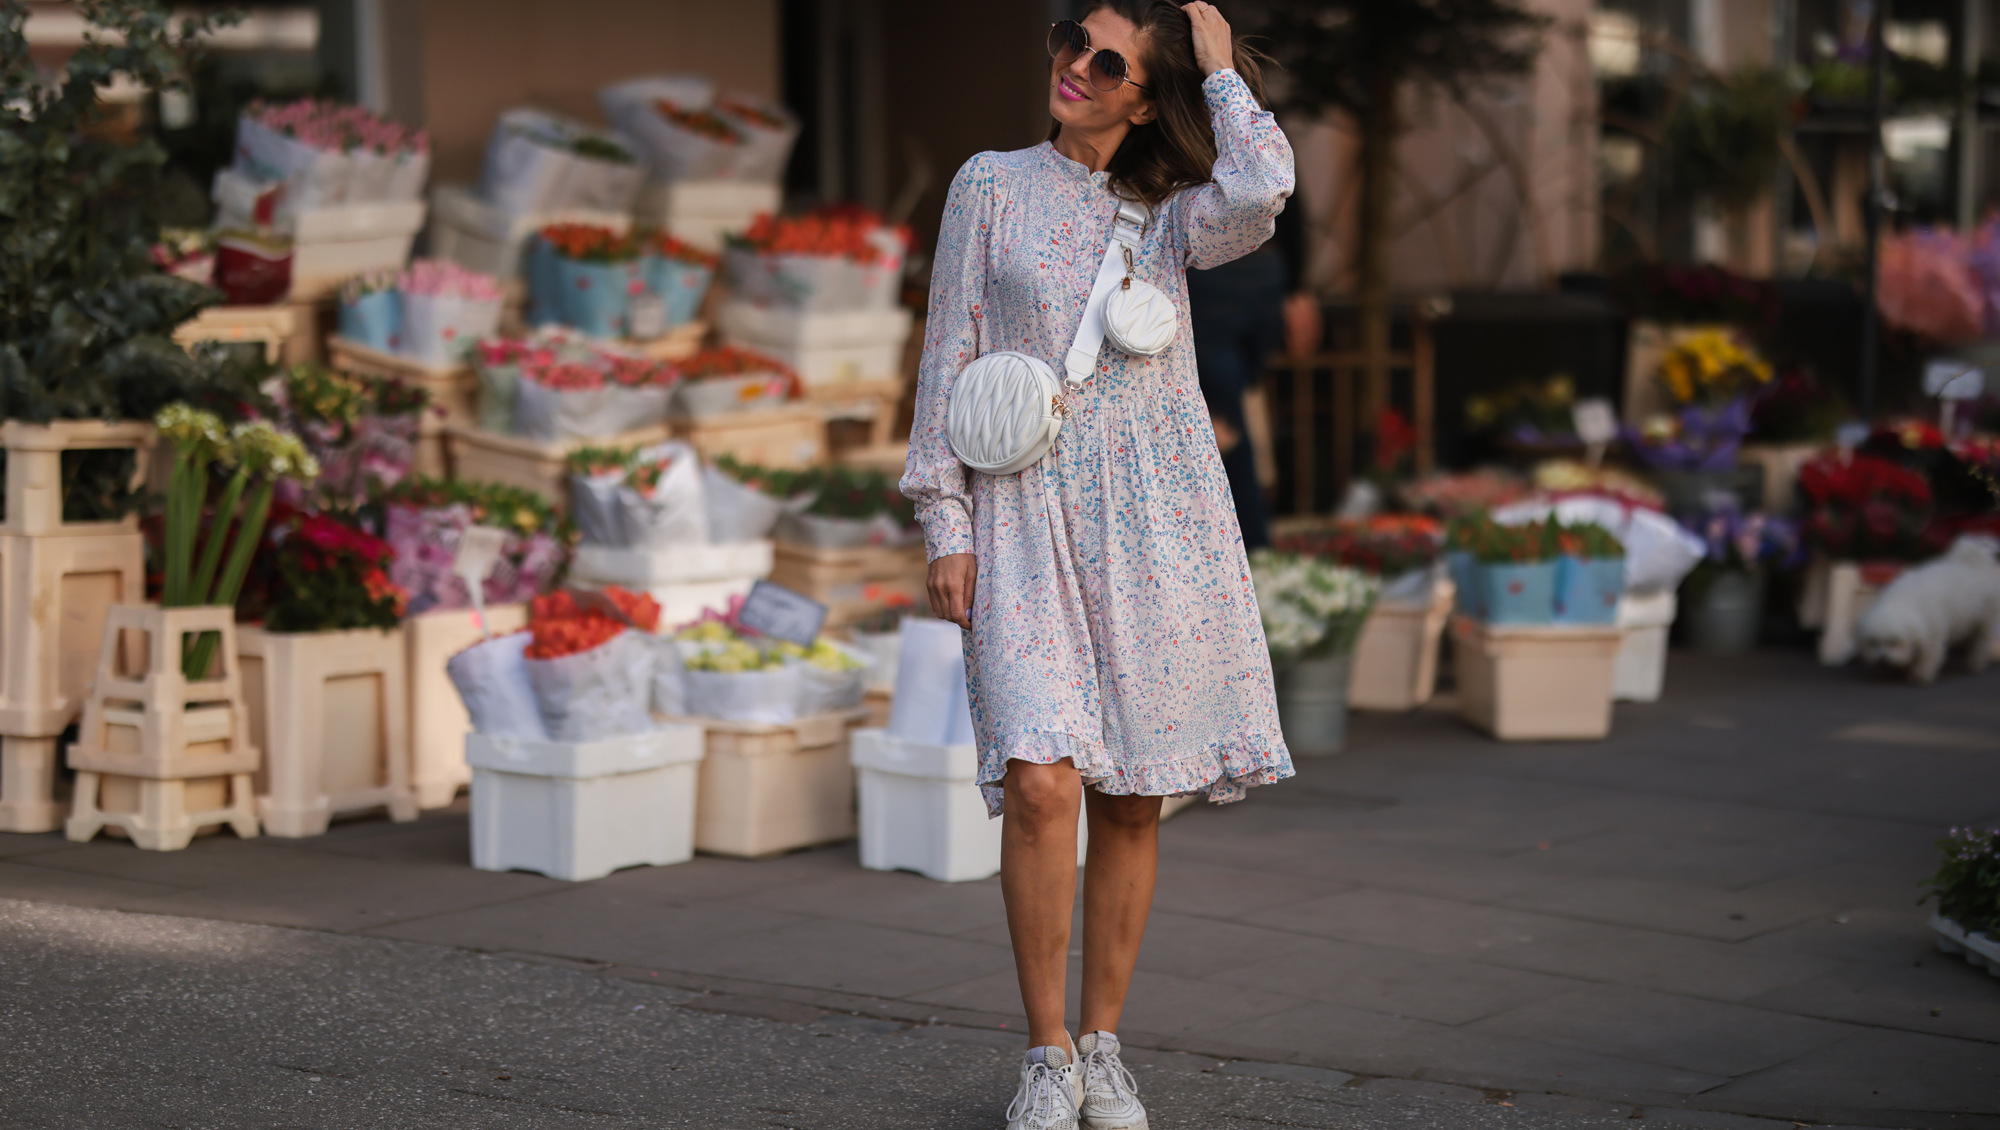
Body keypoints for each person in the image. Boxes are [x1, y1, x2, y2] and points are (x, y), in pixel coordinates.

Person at [899, 4, 1296, 1127]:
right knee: (1039, 779)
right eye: (1071, 39)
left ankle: (1105, 1046)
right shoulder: (988, 183)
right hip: (1021, 515)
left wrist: (1217, 71)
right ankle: (1045, 1052)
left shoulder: (1172, 215)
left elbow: (1264, 188)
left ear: (1144, 96)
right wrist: (945, 522)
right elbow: (948, 350)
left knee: (1129, 798)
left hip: (1155, 521)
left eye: (1108, 61)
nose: (1076, 66)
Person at [1186, 200, 1320, 549]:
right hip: (1262, 267)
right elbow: (1286, 194)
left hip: (1204, 271)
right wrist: (1296, 285)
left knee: (1221, 428)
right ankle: (1250, 548)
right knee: (1231, 420)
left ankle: (1247, 549)